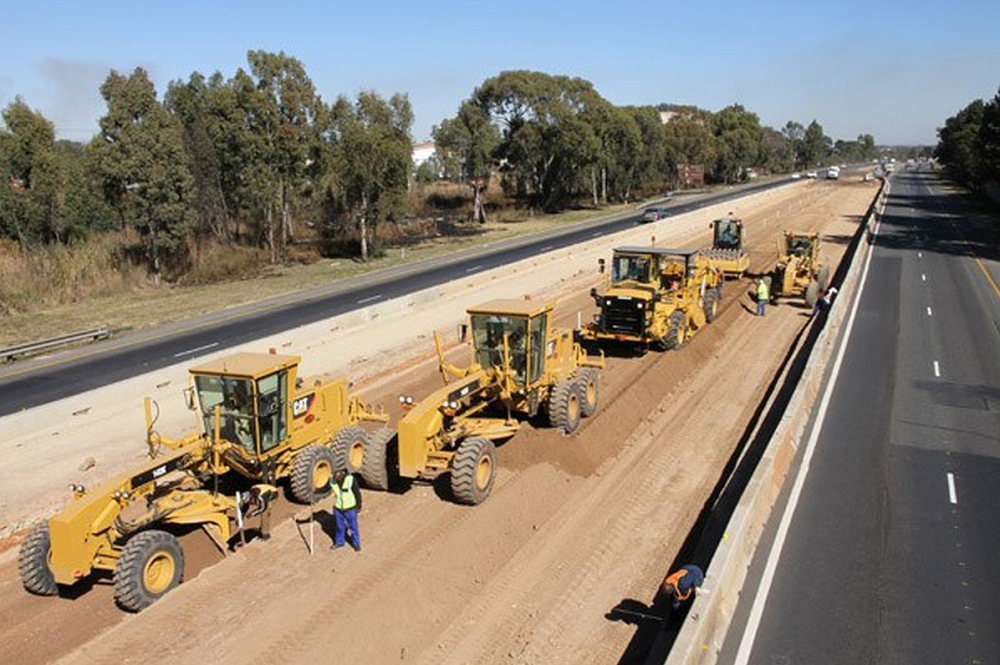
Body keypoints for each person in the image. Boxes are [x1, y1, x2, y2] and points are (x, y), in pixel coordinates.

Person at [330, 469, 362, 552]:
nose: (336, 480)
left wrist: (358, 505)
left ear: (342, 476)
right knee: (339, 526)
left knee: (353, 527)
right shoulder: (333, 480)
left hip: (350, 508)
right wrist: (313, 490)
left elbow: (357, 493)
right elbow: (323, 488)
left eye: (338, 479)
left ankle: (356, 544)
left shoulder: (350, 480)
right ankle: (339, 542)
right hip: (338, 508)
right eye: (335, 479)